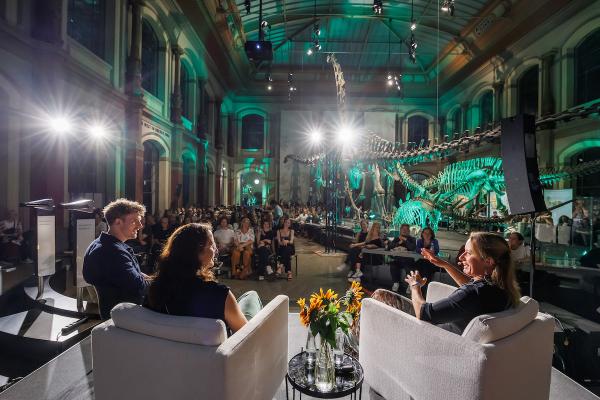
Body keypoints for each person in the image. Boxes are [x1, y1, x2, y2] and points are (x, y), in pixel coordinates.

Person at [144, 223, 262, 332]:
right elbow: (244, 334)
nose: (215, 250)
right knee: (252, 295)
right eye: (211, 244)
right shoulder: (219, 294)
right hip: (219, 349)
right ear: (196, 252)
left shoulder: (155, 289)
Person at [406, 232, 521, 333]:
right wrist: (445, 264)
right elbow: (473, 287)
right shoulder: (501, 287)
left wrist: (415, 286)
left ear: (488, 261)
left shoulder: (472, 294)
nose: (461, 258)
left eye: (469, 253)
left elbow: (424, 314)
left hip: (439, 339)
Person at [83, 199, 151, 320]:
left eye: (139, 221)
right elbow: (138, 286)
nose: (140, 226)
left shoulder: (100, 243)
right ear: (118, 222)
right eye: (134, 221)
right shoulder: (112, 252)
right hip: (126, 320)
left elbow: (127, 275)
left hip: (118, 316)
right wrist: (160, 282)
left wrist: (143, 276)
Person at [389, 223, 417, 292]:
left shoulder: (412, 239)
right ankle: (396, 283)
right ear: (400, 230)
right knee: (393, 264)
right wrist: (399, 243)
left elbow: (412, 247)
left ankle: (409, 285)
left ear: (409, 231)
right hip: (398, 260)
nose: (404, 231)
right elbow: (390, 246)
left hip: (408, 260)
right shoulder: (397, 238)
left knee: (409, 267)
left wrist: (405, 240)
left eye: (406, 229)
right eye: (403, 229)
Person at [277, 216, 295, 280]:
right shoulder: (279, 231)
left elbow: (291, 241)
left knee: (287, 249)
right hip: (282, 248)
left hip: (290, 247)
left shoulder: (291, 231)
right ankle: (289, 272)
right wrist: (282, 242)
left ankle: (281, 266)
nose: (287, 224)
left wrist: (287, 241)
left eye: (288, 223)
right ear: (283, 223)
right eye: (286, 222)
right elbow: (279, 242)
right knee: (286, 252)